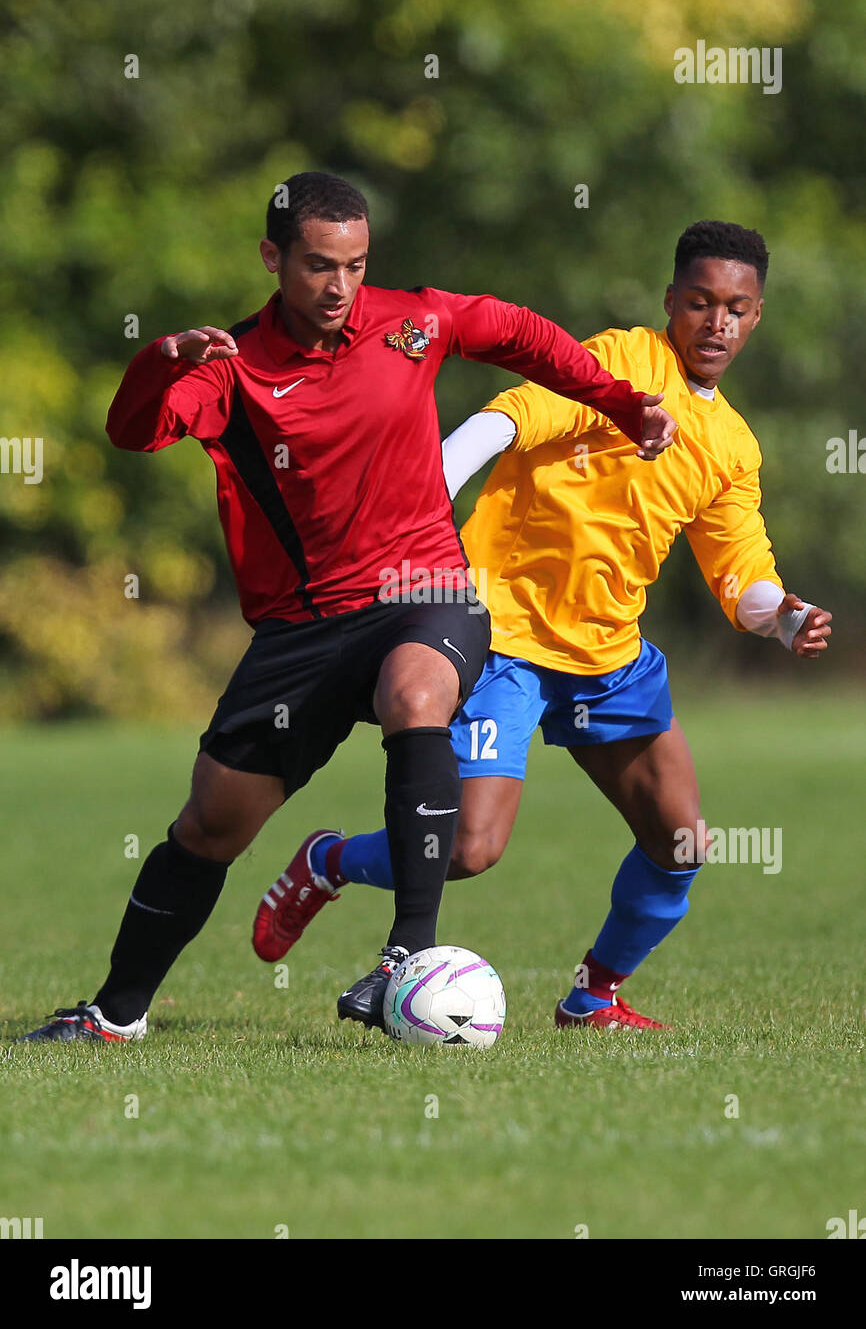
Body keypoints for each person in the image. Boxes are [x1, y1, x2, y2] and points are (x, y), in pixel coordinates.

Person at [18, 171, 675, 1043]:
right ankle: (115, 1015)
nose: (340, 287)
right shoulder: (233, 370)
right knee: (211, 823)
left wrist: (622, 402)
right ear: (273, 258)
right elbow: (132, 430)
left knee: (415, 696)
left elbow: (518, 335)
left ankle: (406, 958)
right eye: (320, 266)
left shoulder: (413, 321)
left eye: (357, 265)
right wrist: (160, 360)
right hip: (303, 629)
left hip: (425, 593)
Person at [257, 219, 832, 1030]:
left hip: (609, 658)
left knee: (681, 846)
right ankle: (329, 860)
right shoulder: (623, 364)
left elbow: (742, 577)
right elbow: (513, 414)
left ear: (757, 316)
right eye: (700, 303)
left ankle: (593, 994)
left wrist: (787, 618)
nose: (717, 323)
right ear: (672, 302)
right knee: (470, 850)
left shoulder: (733, 446)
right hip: (507, 644)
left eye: (736, 309)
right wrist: (432, 487)